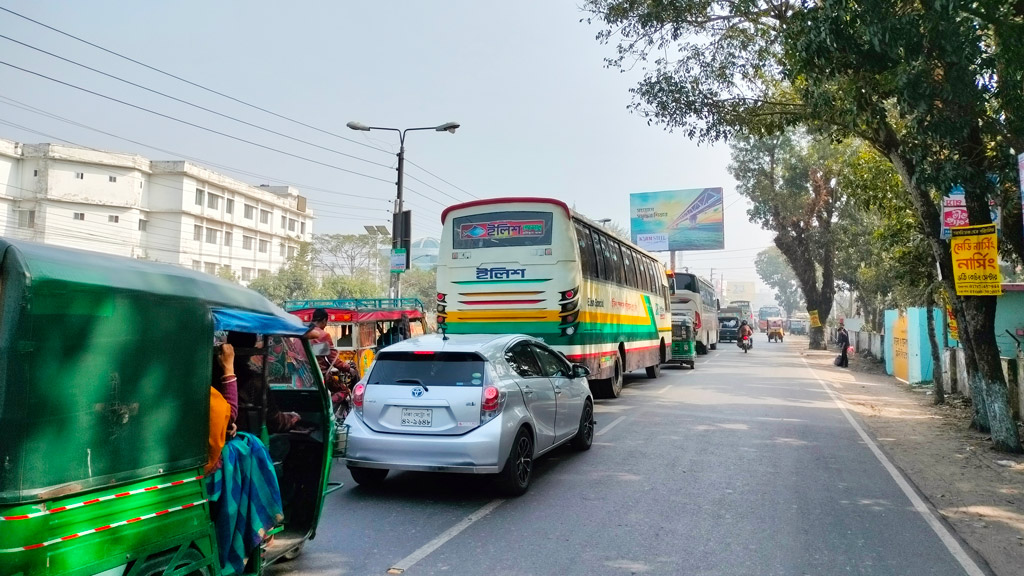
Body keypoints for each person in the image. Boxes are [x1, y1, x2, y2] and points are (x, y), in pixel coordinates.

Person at [206, 343, 284, 576]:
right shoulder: (206, 391)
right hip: (207, 470)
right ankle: (260, 528)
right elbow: (229, 415)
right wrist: (229, 368)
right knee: (251, 447)